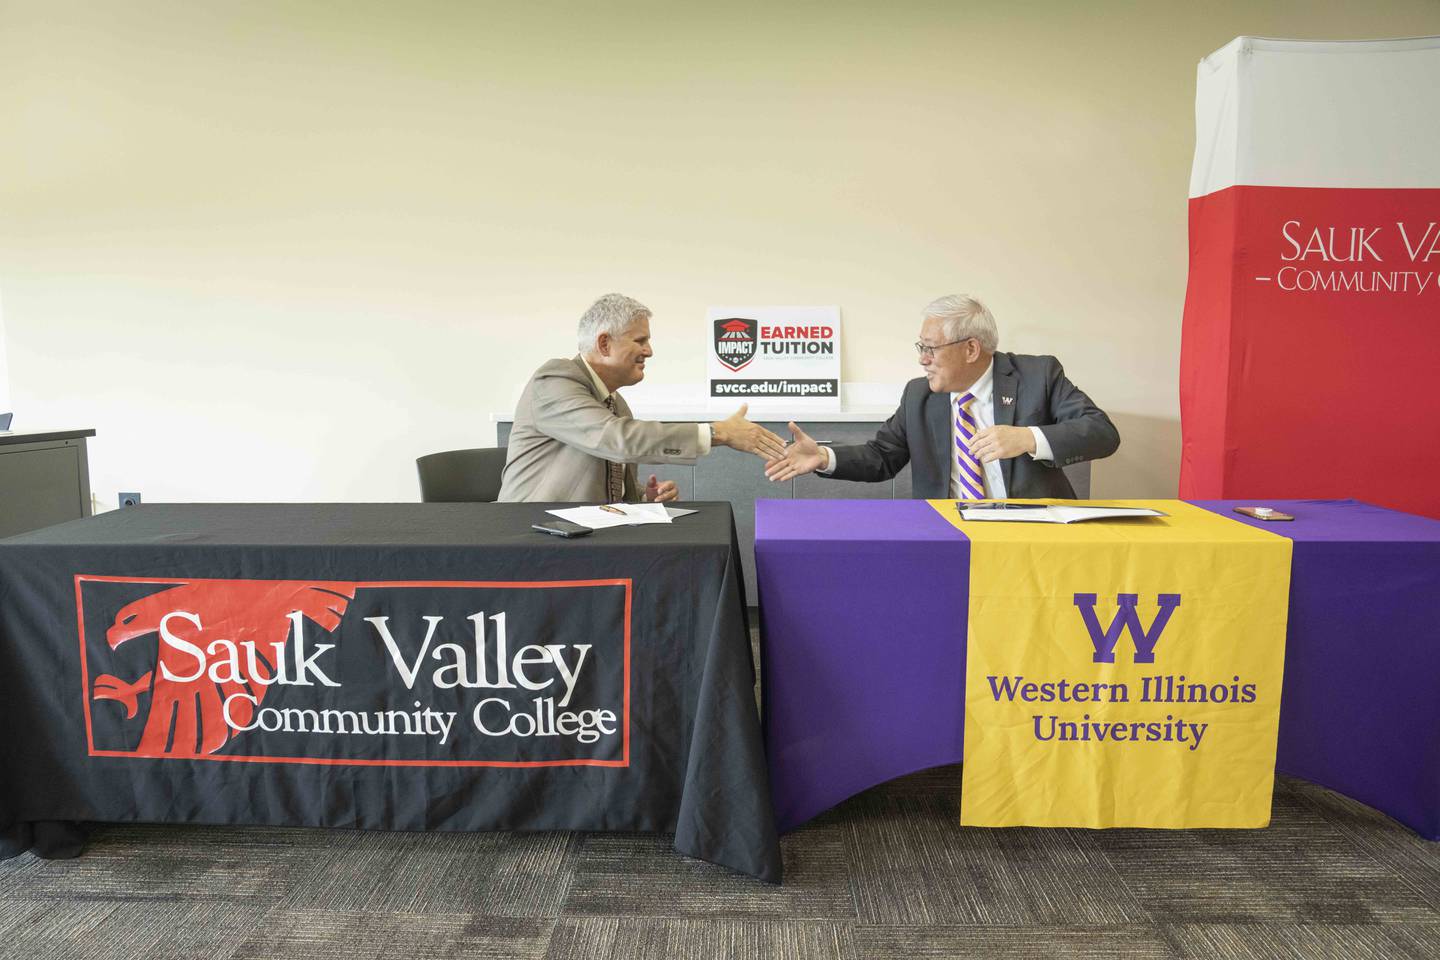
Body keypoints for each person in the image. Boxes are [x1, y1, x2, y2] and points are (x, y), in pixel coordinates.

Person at [764, 294, 1119, 498]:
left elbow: (1102, 433)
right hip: (948, 535)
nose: (922, 359)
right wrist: (823, 457)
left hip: (1032, 536)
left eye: (930, 348)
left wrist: (1028, 437)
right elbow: (881, 457)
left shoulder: (1037, 375)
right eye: (921, 347)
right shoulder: (919, 395)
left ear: (970, 349)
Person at [499, 293, 787, 503]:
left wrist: (643, 497)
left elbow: (606, 473)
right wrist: (718, 432)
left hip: (585, 542)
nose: (649, 351)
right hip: (532, 543)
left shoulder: (616, 402)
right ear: (604, 343)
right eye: (640, 341)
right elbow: (615, 440)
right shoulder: (553, 380)